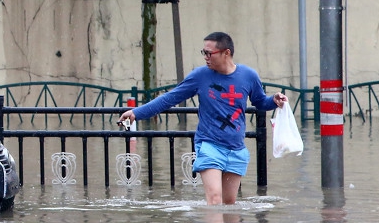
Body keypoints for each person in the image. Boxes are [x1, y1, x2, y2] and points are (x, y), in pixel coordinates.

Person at [119, 31, 286, 206]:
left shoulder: (248, 76)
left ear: (226, 53)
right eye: (203, 52)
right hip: (209, 144)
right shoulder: (200, 76)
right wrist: (137, 112)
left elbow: (260, 102)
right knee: (214, 199)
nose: (205, 57)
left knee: (229, 204)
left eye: (209, 53)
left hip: (236, 148)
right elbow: (170, 98)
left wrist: (274, 101)